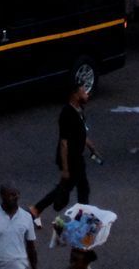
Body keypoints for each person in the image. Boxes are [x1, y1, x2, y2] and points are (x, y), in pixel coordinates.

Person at [29, 84, 97, 221]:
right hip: (71, 158)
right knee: (75, 188)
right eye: (83, 92)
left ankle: (37, 209)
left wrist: (91, 146)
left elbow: (81, 132)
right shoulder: (67, 114)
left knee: (77, 186)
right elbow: (64, 143)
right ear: (74, 95)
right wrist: (65, 169)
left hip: (77, 156)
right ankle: (37, 209)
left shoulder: (79, 110)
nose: (87, 94)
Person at [0, 182, 38, 269]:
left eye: (17, 194)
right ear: (2, 196)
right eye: (11, 195)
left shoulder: (26, 217)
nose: (15, 197)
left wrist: (34, 267)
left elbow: (31, 247)